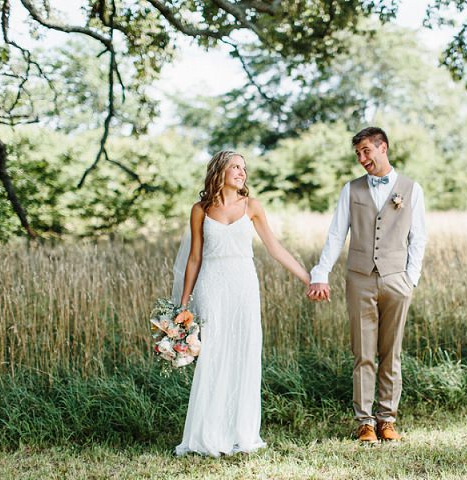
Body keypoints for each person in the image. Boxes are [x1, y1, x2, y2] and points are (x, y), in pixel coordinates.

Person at [172, 150, 310, 457]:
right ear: (219, 171)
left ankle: (240, 432)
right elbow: (194, 259)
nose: (241, 172)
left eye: (243, 168)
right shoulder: (200, 209)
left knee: (244, 353)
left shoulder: (253, 207)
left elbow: (275, 248)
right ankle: (208, 434)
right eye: (235, 166)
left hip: (244, 287)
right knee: (214, 356)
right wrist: (183, 304)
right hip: (212, 286)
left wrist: (308, 277)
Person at [307, 127, 427, 443]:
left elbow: (419, 238)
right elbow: (336, 235)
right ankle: (365, 422)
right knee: (363, 354)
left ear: (382, 147)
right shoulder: (351, 190)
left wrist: (410, 279)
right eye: (358, 154)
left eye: (366, 151)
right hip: (359, 279)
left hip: (396, 281)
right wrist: (321, 273)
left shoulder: (412, 190)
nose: (362, 159)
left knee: (392, 353)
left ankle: (387, 420)